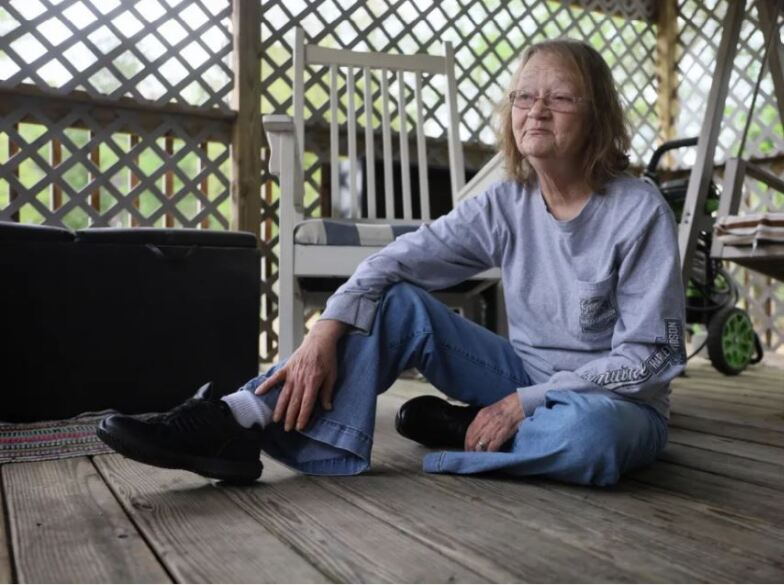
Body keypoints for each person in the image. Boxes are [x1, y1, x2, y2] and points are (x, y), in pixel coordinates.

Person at [98, 38, 685, 487]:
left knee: (594, 438)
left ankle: (465, 435)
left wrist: (521, 405)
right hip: (519, 371)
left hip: (613, 401)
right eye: (524, 96)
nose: (536, 111)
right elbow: (398, 261)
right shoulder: (508, 202)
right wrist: (326, 326)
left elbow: (650, 357)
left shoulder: (638, 211)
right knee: (396, 302)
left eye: (560, 98)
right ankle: (234, 418)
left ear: (598, 116)